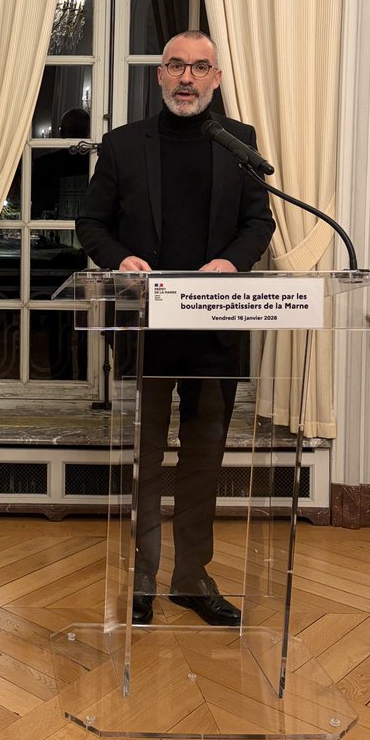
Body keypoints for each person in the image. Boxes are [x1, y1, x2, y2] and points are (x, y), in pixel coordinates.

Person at [75, 31, 274, 626]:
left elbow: (258, 223)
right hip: (146, 327)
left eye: (200, 68)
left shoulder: (240, 144)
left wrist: (231, 263)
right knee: (148, 457)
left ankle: (191, 576)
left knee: (203, 458)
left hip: (217, 329)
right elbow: (91, 222)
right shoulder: (123, 145)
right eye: (176, 66)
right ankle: (143, 581)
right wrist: (120, 260)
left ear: (216, 78)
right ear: (160, 75)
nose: (187, 78)